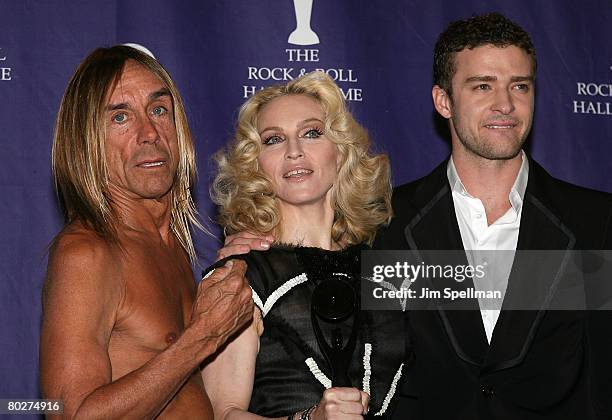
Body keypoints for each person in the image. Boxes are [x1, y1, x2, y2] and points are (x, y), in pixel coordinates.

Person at [221, 13, 612, 420]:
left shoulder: (596, 223)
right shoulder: (383, 226)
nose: (505, 105)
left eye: (520, 86)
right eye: (482, 86)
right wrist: (250, 253)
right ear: (444, 100)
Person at [40, 45, 253, 419]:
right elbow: (72, 415)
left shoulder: (170, 246)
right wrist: (203, 335)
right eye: (120, 117)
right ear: (86, 140)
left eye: (158, 110)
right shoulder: (87, 253)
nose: (149, 132)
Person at [201, 71, 405, 419]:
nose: (294, 152)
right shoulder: (240, 276)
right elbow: (221, 415)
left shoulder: (385, 266)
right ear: (255, 164)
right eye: (273, 140)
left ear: (340, 153)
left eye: (312, 133)